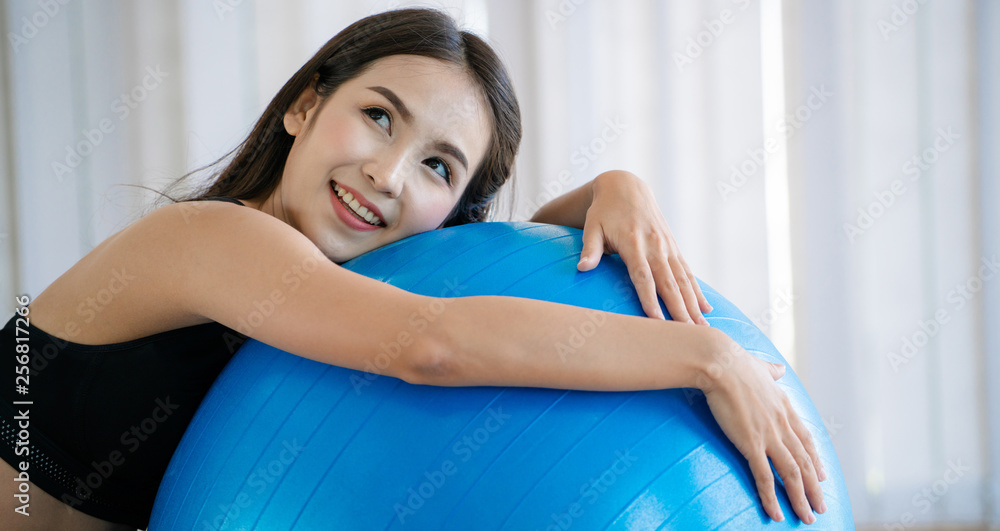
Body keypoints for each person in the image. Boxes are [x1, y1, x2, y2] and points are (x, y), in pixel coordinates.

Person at [0, 8, 826, 530]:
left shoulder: (329, 287)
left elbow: (505, 277)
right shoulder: (215, 239)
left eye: (438, 166)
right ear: (305, 105)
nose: (387, 175)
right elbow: (433, 339)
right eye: (378, 117)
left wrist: (616, 188)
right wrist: (708, 357)